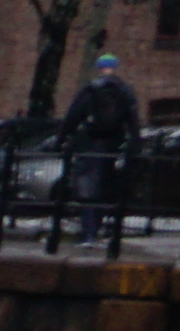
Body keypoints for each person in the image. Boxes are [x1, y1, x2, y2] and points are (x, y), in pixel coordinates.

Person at [55, 51, 140, 215]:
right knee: (106, 183)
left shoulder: (90, 89)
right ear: (115, 68)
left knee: (88, 184)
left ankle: (89, 230)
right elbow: (133, 120)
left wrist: (61, 138)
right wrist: (135, 143)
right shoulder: (124, 90)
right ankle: (102, 224)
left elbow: (73, 116)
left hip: (90, 141)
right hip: (114, 142)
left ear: (98, 68)